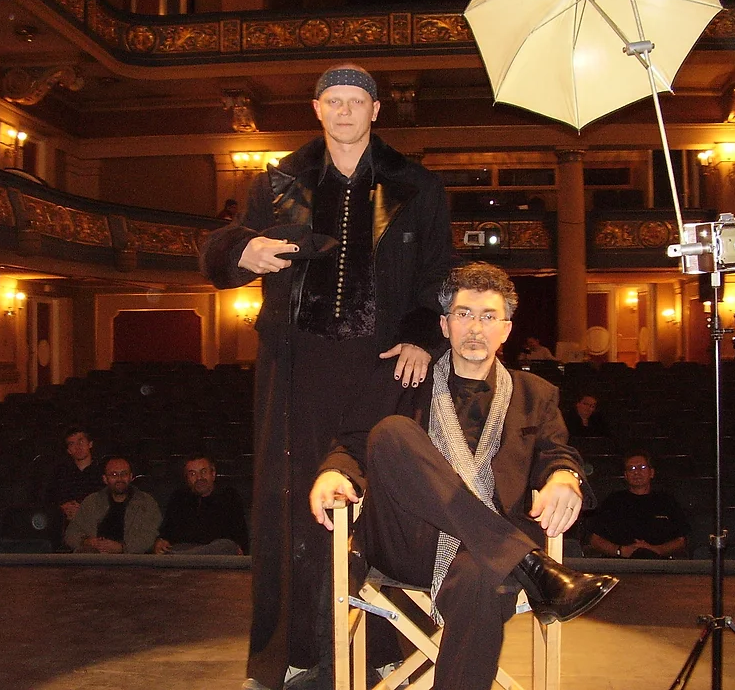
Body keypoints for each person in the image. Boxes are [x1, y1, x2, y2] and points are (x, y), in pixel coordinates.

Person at [201, 63, 452, 690]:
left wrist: (422, 335)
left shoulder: (418, 185)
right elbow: (224, 246)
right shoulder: (277, 182)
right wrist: (242, 251)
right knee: (291, 505)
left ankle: (388, 649)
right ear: (317, 109)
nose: (344, 111)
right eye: (332, 100)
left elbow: (437, 274)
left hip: (384, 366)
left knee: (381, 500)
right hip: (297, 368)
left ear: (375, 111)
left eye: (355, 101)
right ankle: (294, 649)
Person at [309, 263, 617, 690]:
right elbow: (354, 443)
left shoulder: (536, 394)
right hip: (406, 538)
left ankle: (511, 558)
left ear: (506, 330)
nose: (475, 328)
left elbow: (557, 452)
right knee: (393, 432)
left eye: (489, 316)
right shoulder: (405, 378)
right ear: (444, 324)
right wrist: (333, 472)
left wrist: (564, 476)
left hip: (479, 558)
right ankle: (528, 562)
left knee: (483, 579)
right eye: (464, 314)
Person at [586, 451, 689, 559]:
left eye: (642, 467)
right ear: (625, 475)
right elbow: (595, 540)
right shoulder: (612, 501)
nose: (636, 472)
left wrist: (657, 550)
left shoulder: (667, 501)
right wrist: (620, 551)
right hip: (620, 563)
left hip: (659, 564)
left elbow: (681, 540)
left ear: (651, 473)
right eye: (631, 469)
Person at [153, 454, 249, 555]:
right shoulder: (179, 498)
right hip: (185, 550)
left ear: (213, 473)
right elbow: (167, 532)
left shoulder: (229, 496)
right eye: (192, 474)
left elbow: (239, 535)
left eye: (203, 472)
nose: (199, 478)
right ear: (187, 478)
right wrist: (161, 541)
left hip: (217, 555)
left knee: (226, 545)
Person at [64, 457, 161, 554]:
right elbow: (71, 534)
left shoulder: (146, 503)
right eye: (114, 474)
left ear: (131, 477)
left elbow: (151, 536)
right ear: (105, 479)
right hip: (93, 558)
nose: (119, 479)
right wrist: (87, 542)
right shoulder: (91, 502)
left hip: (131, 560)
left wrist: (122, 548)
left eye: (124, 474)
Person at [46, 425, 103, 535]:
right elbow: (48, 501)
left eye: (81, 441)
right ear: (68, 450)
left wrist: (82, 510)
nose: (78, 447)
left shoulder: (103, 473)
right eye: (72, 444)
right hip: (65, 526)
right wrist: (62, 509)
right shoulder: (59, 474)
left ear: (90, 444)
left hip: (95, 527)